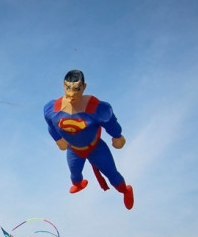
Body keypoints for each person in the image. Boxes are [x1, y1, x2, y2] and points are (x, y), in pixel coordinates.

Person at [43, 69, 134, 210]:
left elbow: (110, 123)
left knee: (112, 174)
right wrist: (57, 139)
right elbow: (50, 125)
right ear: (63, 85)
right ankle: (79, 184)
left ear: (84, 87)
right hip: (74, 150)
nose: (72, 94)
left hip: (96, 148)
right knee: (74, 174)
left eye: (77, 89)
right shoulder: (52, 108)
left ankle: (125, 190)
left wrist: (117, 136)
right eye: (68, 88)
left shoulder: (96, 107)